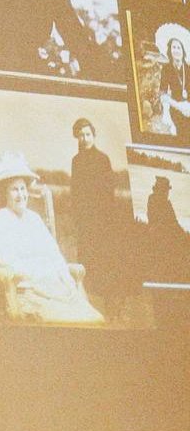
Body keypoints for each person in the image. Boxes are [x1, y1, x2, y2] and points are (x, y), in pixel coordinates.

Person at [0, 153, 103, 325]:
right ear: (4, 193)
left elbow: (53, 254)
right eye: (14, 189)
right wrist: (40, 279)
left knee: (93, 319)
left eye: (23, 189)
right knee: (67, 323)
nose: (21, 195)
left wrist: (65, 279)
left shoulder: (34, 218)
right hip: (25, 290)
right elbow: (5, 261)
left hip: (54, 286)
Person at [69, 118, 127, 318]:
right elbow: (75, 191)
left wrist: (106, 221)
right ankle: (85, 301)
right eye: (81, 135)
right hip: (84, 221)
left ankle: (111, 305)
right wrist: (77, 217)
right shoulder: (76, 161)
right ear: (76, 137)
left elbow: (108, 193)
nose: (84, 138)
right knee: (85, 260)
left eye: (88, 134)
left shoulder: (103, 159)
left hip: (102, 220)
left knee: (105, 261)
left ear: (93, 135)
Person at [159, 37, 190, 144]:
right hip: (176, 108)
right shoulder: (166, 69)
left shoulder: (188, 68)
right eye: (173, 47)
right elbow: (162, 95)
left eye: (179, 47)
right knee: (182, 137)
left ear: (183, 50)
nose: (176, 50)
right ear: (170, 50)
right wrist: (179, 106)